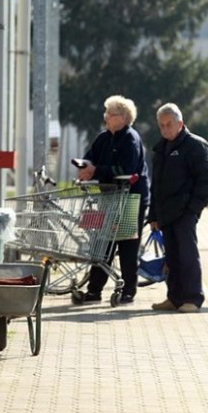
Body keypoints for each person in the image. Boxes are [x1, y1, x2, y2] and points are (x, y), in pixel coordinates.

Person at [77, 95, 150, 305]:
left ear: (124, 118)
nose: (106, 117)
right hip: (109, 197)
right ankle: (94, 291)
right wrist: (84, 166)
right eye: (106, 113)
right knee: (102, 243)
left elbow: (125, 169)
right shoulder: (103, 138)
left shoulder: (130, 139)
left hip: (131, 198)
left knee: (127, 245)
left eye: (110, 114)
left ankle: (128, 290)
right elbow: (90, 156)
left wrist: (96, 170)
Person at [147, 103, 208, 313]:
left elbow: (206, 179)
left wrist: (193, 209)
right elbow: (155, 185)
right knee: (172, 258)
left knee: (187, 256)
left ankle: (193, 299)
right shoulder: (160, 149)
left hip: (185, 212)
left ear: (180, 123)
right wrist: (153, 215)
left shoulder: (195, 145)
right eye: (162, 125)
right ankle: (174, 298)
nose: (166, 129)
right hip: (166, 213)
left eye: (169, 124)